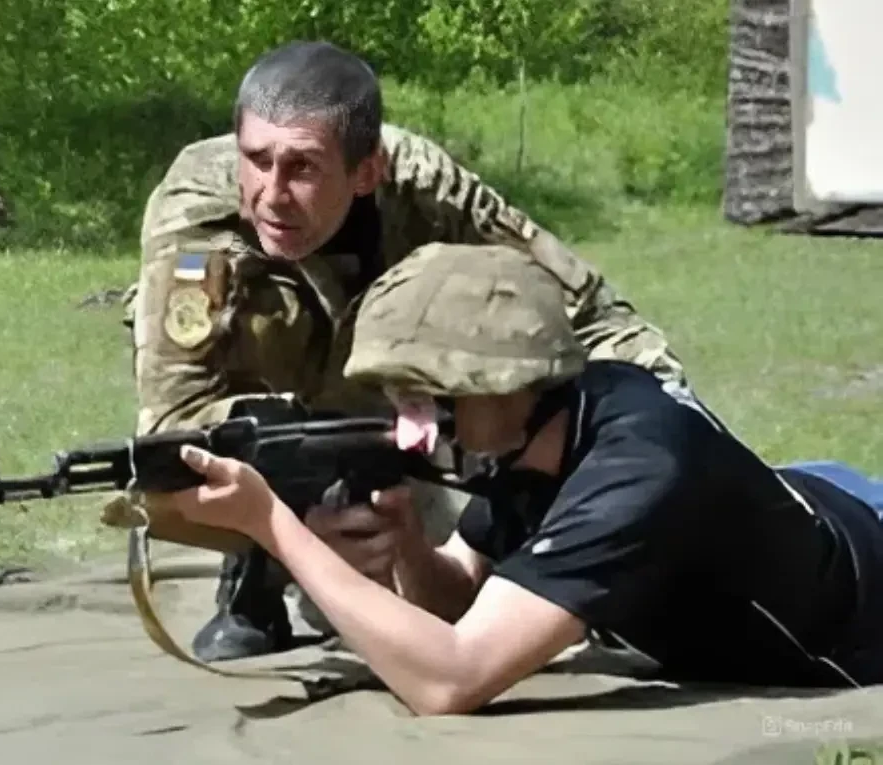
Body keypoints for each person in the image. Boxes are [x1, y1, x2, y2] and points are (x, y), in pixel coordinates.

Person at [123, 39, 688, 663]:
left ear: (368, 171)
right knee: (174, 481)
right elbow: (174, 420)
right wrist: (287, 530)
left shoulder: (428, 191)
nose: (272, 193)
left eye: (303, 168)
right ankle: (253, 573)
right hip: (269, 421)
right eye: (256, 160)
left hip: (401, 419)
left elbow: (587, 313)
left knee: (462, 605)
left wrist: (655, 437)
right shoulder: (198, 213)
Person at [161, 243, 883, 715]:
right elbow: (463, 595)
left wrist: (272, 526)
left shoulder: (636, 467)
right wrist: (409, 547)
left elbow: (451, 679)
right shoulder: (535, 431)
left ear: (504, 383)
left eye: (430, 397)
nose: (411, 429)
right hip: (819, 500)